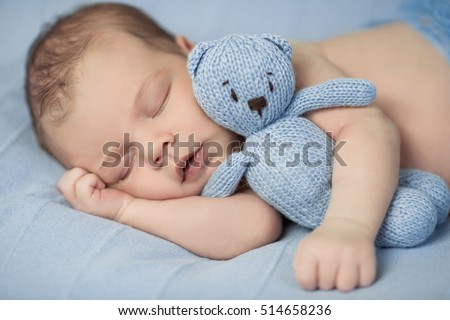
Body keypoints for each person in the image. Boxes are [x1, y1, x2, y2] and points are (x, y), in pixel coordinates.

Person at [25, 1, 450, 292]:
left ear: (192, 55)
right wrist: (124, 209)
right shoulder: (220, 171)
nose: (154, 149)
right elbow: (251, 228)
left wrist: (349, 227)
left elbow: (367, 128)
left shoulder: (268, 69)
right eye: (123, 165)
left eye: (155, 105)